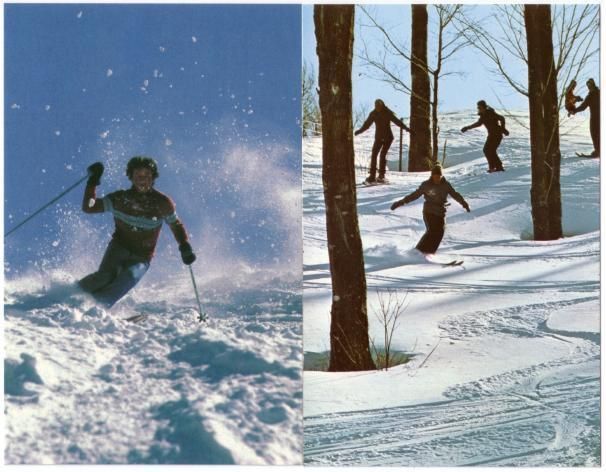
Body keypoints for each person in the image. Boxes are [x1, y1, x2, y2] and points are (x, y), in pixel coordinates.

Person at [78, 156, 196, 307]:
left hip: (142, 256)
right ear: (131, 177)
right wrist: (92, 182)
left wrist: (184, 245)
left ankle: (98, 305)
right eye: (138, 175)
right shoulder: (120, 199)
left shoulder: (162, 203)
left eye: (147, 175)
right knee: (104, 277)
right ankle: (72, 293)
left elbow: (175, 224)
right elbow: (90, 207)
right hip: (119, 247)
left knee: (129, 277)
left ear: (153, 177)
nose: (143, 179)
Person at [390, 164, 470, 255]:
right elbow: (414, 195)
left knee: (440, 232)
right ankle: (418, 252)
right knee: (432, 231)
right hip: (429, 211)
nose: (437, 178)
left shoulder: (446, 185)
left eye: (439, 176)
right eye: (435, 176)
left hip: (440, 212)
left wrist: (464, 204)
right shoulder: (426, 185)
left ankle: (430, 252)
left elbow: (455, 195)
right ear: (432, 176)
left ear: (441, 176)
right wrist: (400, 202)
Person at [355, 99, 410, 184]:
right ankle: (372, 177)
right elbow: (367, 125)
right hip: (379, 138)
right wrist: (359, 131)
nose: (377, 108)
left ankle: (381, 176)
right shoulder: (373, 114)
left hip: (388, 138)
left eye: (379, 106)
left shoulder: (387, 112)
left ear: (382, 105)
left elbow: (397, 122)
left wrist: (407, 129)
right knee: (374, 155)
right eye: (376, 106)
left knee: (382, 154)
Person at [461, 100, 509, 173]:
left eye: (480, 107)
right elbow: (478, 124)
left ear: (484, 107)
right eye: (478, 108)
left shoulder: (491, 113)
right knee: (487, 150)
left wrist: (503, 128)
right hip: (491, 135)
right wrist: (467, 128)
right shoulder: (482, 117)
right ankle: (494, 167)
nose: (479, 109)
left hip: (497, 134)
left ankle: (497, 167)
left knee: (489, 150)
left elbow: (502, 118)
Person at [570, 78, 600, 157]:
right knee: (596, 133)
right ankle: (598, 150)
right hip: (597, 117)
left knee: (595, 133)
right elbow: (583, 107)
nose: (589, 87)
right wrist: (574, 111)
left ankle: (598, 151)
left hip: (595, 118)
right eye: (588, 86)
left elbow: (583, 107)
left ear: (593, 84)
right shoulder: (595, 94)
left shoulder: (591, 96)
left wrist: (574, 111)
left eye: (590, 85)